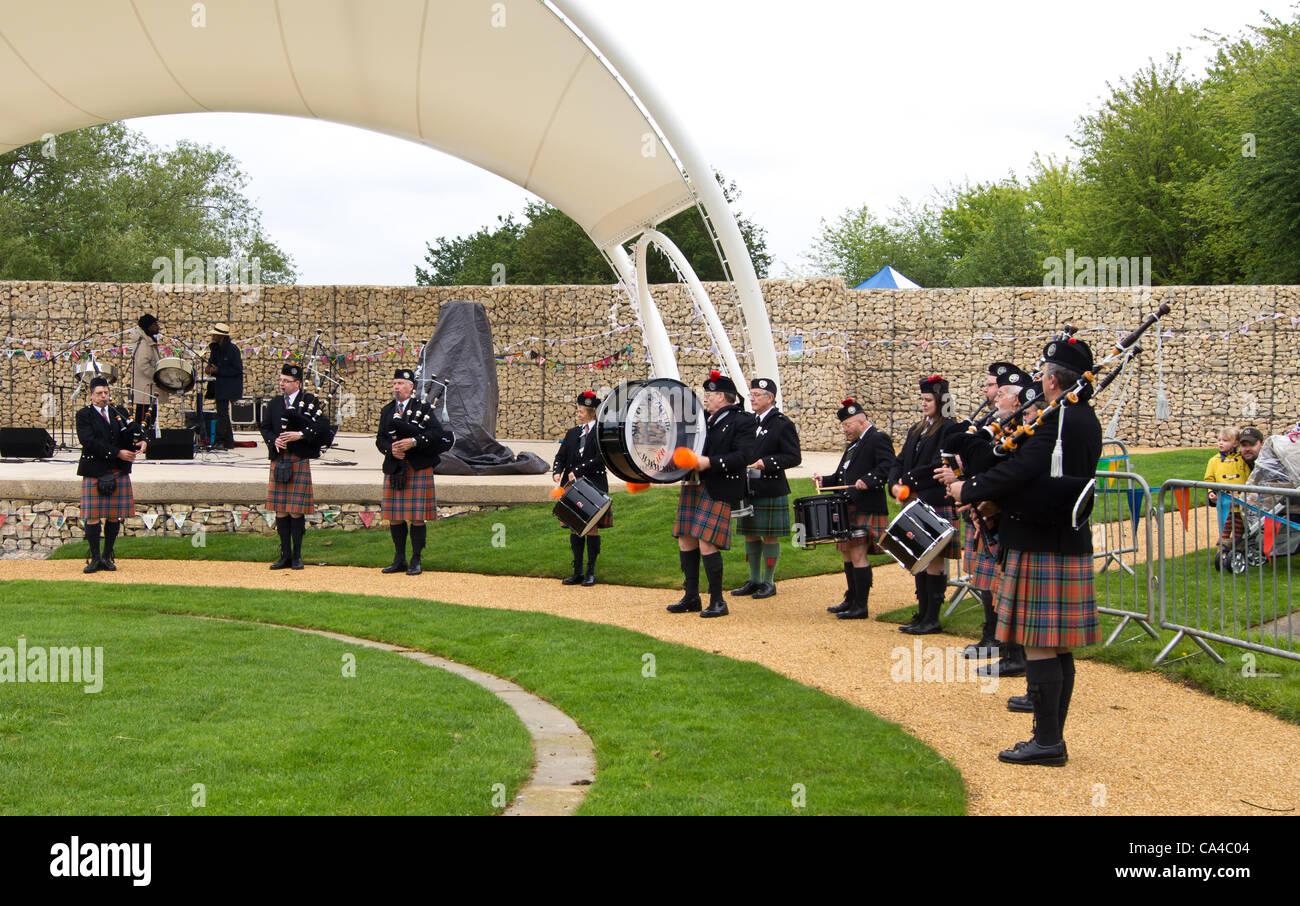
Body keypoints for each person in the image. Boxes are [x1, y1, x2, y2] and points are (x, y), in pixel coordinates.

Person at [947, 336, 1103, 766]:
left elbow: (1022, 469)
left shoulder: (1061, 420)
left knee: (1039, 644)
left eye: (1042, 374)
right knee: (1057, 646)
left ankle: (1048, 741)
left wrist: (971, 488)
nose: (1039, 380)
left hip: (1041, 542)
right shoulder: (1080, 416)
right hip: (1057, 539)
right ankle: (1050, 737)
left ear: (1052, 380)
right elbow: (1037, 477)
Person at [667, 371, 757, 618]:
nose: (705, 398)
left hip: (719, 485)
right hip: (692, 483)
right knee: (685, 537)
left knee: (707, 540)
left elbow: (745, 456)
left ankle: (718, 601)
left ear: (724, 397)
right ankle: (691, 596)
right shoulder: (701, 419)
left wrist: (711, 462)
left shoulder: (743, 421)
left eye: (710, 394)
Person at [889, 374, 960, 634]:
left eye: (928, 399)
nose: (924, 404)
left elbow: (941, 465)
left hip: (933, 500)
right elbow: (899, 460)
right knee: (918, 557)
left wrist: (908, 481)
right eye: (922, 399)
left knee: (934, 560)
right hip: (913, 501)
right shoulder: (917, 430)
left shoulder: (950, 428)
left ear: (941, 401)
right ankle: (922, 614)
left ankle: (933, 617)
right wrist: (894, 484)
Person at [815, 398, 896, 619]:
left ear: (860, 422)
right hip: (848, 505)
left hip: (866, 505)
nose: (844, 430)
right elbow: (843, 476)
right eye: (843, 426)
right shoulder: (853, 445)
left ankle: (861, 605)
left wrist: (867, 481)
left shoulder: (878, 438)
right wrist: (826, 481)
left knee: (859, 554)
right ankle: (851, 598)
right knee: (848, 555)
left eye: (847, 425)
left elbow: (888, 466)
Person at [377, 368, 454, 576]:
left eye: (401, 383)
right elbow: (380, 439)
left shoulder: (423, 409)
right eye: (394, 383)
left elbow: (437, 434)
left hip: (418, 466)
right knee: (394, 516)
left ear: (411, 387)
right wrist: (390, 449)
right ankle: (399, 558)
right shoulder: (387, 411)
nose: (396, 387)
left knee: (417, 516)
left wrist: (413, 441)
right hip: (395, 467)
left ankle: (416, 559)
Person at [732, 377, 801, 599]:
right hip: (748, 487)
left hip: (771, 487)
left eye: (757, 395)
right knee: (750, 534)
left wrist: (767, 463)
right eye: (750, 394)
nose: (752, 398)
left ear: (770, 398)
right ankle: (754, 580)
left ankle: (769, 582)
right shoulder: (748, 421)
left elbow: (793, 457)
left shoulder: (782, 424)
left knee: (769, 536)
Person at [259, 363, 329, 570]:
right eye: (280, 380)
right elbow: (264, 427)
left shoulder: (309, 402)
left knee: (296, 511)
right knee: (281, 510)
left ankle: (297, 556)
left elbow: (323, 428)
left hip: (298, 458)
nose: (282, 384)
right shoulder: (274, 403)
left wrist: (300, 434)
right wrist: (274, 441)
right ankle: (284, 555)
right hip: (279, 459)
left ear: (297, 383)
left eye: (286, 381)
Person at [76, 375, 146, 573]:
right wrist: (117, 452)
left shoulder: (119, 412)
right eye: (99, 393)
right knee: (92, 517)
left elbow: (131, 434)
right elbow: (88, 441)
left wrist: (141, 442)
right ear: (91, 395)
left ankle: (107, 556)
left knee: (114, 516)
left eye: (106, 393)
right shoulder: (84, 415)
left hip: (118, 470)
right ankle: (94, 558)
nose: (103, 396)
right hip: (95, 470)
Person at [552, 390, 612, 586]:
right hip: (572, 486)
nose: (578, 413)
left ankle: (590, 572)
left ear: (592, 412)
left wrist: (578, 470)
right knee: (575, 527)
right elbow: (560, 456)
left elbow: (601, 459)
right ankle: (577, 571)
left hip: (593, 485)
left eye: (581, 411)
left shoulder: (600, 433)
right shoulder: (572, 433)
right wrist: (557, 471)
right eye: (577, 410)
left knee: (591, 527)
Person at [1204, 427, 1249, 563]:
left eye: (1225, 440)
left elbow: (1249, 478)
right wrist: (1211, 492)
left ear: (1235, 443)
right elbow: (1209, 479)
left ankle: (1240, 550)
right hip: (1223, 500)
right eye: (1219, 440)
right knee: (1225, 525)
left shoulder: (1242, 460)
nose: (1221, 443)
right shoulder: (1214, 461)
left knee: (1241, 526)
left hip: (1241, 501)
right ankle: (1223, 551)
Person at [205, 323, 243, 450]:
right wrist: (210, 369)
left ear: (221, 336)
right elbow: (212, 364)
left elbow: (237, 370)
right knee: (222, 413)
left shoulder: (232, 350)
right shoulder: (215, 349)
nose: (213, 336)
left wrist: (219, 371)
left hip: (229, 385)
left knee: (222, 413)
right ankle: (228, 441)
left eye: (215, 334)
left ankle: (221, 440)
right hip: (219, 385)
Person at [130, 313, 162, 425]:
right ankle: (141, 441)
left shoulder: (148, 341)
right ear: (149, 326)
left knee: (148, 419)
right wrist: (157, 376)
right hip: (146, 388)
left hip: (148, 388)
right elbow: (143, 364)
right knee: (144, 420)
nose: (158, 327)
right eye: (155, 324)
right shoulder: (144, 343)